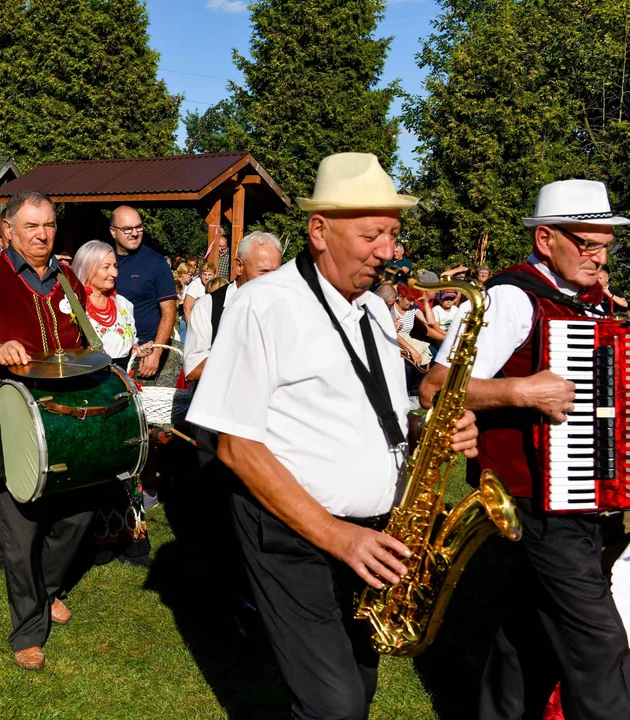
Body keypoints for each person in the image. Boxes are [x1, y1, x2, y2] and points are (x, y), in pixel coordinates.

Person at [187, 152, 479, 720]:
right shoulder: (262, 305)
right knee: (335, 704)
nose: (390, 252)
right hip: (292, 530)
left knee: (359, 687)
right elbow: (236, 445)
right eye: (373, 235)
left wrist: (428, 432)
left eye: (393, 234)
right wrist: (337, 536)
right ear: (319, 232)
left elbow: (378, 412)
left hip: (370, 534)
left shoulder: (373, 309)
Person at [421, 178, 630, 720]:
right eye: (586, 243)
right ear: (545, 239)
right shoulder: (511, 298)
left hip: (578, 496)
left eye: (605, 243)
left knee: (526, 635)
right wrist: (518, 390)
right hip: (537, 502)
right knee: (601, 649)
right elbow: (435, 387)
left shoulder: (586, 303)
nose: (598, 255)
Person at [0, 190, 95, 671]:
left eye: (49, 225)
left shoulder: (67, 276)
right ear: (9, 229)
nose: (41, 235)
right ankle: (28, 630)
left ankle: (47, 587)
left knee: (78, 515)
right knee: (20, 530)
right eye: (31, 226)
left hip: (66, 418)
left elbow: (82, 340)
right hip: (9, 422)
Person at [70, 239, 151, 565]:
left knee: (128, 462)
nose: (113, 272)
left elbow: (126, 345)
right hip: (92, 391)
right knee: (98, 464)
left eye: (114, 265)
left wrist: (137, 351)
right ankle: (97, 540)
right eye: (105, 266)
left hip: (123, 390)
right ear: (87, 269)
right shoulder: (74, 308)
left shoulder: (125, 306)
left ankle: (130, 537)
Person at [183, 232, 282, 383]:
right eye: (263, 271)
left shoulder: (283, 307)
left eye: (276, 272)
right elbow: (193, 368)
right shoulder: (208, 306)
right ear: (239, 266)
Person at [110, 205, 177, 378]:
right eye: (127, 229)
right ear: (113, 231)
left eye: (139, 227)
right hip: (109, 353)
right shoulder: (104, 260)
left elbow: (169, 311)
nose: (134, 233)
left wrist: (157, 351)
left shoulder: (156, 263)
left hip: (145, 356)